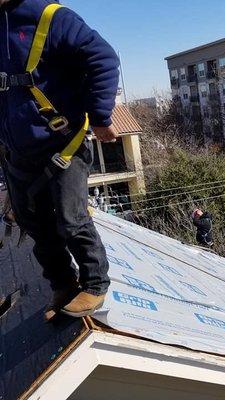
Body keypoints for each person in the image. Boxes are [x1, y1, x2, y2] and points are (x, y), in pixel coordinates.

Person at [0, 0, 120, 319]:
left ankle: (94, 284)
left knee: (71, 217)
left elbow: (103, 57)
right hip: (18, 151)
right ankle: (63, 286)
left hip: (62, 143)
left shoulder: (50, 17)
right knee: (34, 224)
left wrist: (99, 115)